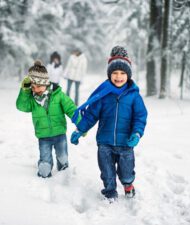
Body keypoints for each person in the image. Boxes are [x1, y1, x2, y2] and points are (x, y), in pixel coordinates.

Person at [70, 46, 147, 202]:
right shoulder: (104, 95)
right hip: (105, 143)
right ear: (109, 74)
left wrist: (137, 133)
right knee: (107, 171)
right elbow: (91, 114)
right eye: (115, 73)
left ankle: (127, 184)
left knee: (126, 172)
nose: (119, 77)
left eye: (123, 73)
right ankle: (110, 192)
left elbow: (140, 117)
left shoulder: (134, 96)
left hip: (126, 143)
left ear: (128, 75)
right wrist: (80, 129)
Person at [16, 60, 79, 178]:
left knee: (63, 159)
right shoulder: (32, 100)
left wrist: (81, 123)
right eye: (33, 87)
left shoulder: (58, 95)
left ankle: (63, 169)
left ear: (46, 83)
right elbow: (21, 106)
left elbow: (71, 108)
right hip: (43, 137)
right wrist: (25, 91)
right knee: (44, 170)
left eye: (39, 86)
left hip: (60, 135)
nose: (36, 90)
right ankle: (45, 165)